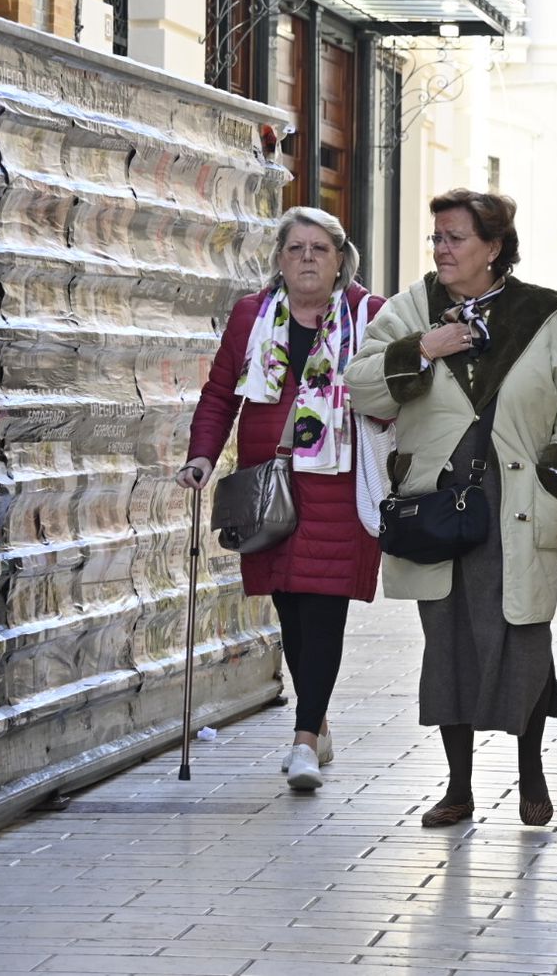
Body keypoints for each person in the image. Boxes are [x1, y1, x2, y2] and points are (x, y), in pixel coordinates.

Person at [347, 188, 557, 828]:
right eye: (436, 237)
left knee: (519, 638)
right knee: (449, 644)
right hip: (437, 507)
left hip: (514, 502)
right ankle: (458, 788)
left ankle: (531, 775)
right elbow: (358, 382)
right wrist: (424, 349)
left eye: (455, 237)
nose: (441, 248)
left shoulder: (542, 316)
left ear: (493, 248)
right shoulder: (411, 308)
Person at [177, 206, 383, 793]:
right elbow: (220, 395)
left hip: (337, 485)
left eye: (321, 248)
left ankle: (303, 743)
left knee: (323, 608)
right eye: (297, 249)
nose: (308, 259)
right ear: (280, 259)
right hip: (267, 489)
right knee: (290, 611)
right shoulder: (251, 316)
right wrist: (201, 456)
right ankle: (315, 719)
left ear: (341, 259)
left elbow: (393, 392)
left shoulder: (369, 315)